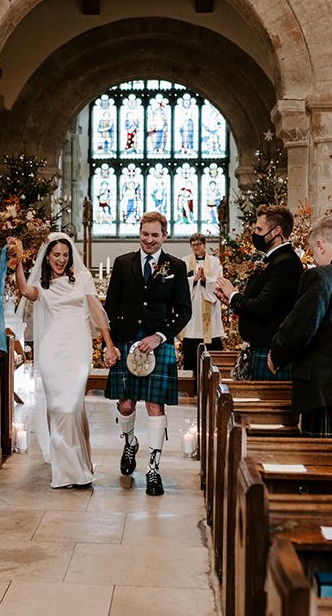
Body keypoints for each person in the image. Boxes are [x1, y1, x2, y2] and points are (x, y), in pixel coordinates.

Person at [10, 232, 119, 488]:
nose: (61, 259)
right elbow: (25, 290)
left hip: (77, 347)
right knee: (58, 407)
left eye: (65, 255)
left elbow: (96, 311)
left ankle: (79, 466)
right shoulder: (43, 284)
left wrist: (109, 345)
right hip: (51, 349)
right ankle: (69, 473)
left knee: (72, 406)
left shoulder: (82, 278)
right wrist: (17, 261)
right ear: (47, 257)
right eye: (56, 255)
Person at [104, 211, 192, 496]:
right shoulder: (122, 263)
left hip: (159, 344)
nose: (149, 240)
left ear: (164, 235)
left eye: (155, 235)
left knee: (155, 407)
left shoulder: (175, 267)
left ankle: (154, 468)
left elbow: (184, 311)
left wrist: (160, 336)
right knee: (126, 405)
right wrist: (112, 345)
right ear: (139, 232)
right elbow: (111, 308)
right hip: (127, 342)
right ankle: (130, 443)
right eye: (145, 234)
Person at [268, 216, 332, 437]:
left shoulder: (322, 277)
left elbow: (299, 329)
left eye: (313, 253)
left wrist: (276, 353)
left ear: (320, 245)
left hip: (328, 396)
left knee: (322, 463)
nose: (314, 259)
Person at [216, 204, 304, 379]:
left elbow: (263, 306)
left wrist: (233, 295)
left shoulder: (286, 263)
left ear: (276, 231)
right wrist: (232, 301)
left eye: (259, 229)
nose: (255, 234)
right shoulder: (272, 260)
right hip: (259, 348)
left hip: (270, 351)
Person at [180, 232, 224, 373]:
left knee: (211, 356)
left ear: (204, 244)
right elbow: (180, 285)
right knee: (191, 355)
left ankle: (210, 383)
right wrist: (194, 279)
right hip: (192, 314)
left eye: (198, 244)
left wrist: (205, 280)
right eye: (193, 245)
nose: (195, 248)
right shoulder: (185, 261)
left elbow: (218, 283)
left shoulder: (214, 262)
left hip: (209, 313)